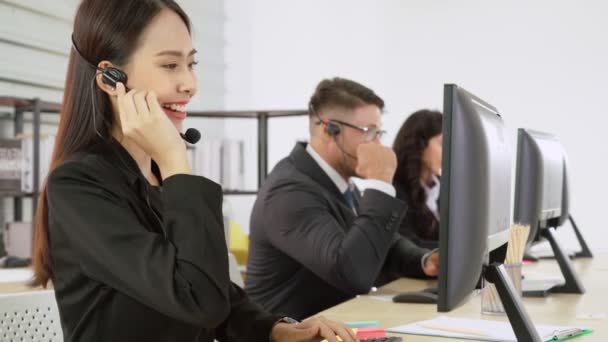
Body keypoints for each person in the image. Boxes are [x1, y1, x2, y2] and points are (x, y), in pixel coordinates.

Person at [30, 1, 354, 341]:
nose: (190, 84)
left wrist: (275, 330)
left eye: (191, 63)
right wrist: (174, 160)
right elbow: (198, 299)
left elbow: (211, 285)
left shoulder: (156, 172)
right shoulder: (79, 186)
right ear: (111, 79)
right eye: (170, 65)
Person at [245, 77, 440, 320]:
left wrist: (425, 260)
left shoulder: (339, 184)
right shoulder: (289, 192)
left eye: (378, 132)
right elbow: (351, 273)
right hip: (291, 333)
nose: (379, 144)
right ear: (329, 130)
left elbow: (385, 245)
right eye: (369, 132)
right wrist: (380, 182)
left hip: (336, 323)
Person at [392, 110, 443, 250]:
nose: (449, 151)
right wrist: (458, 250)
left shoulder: (444, 187)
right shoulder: (394, 191)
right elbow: (408, 246)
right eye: (443, 143)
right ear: (420, 145)